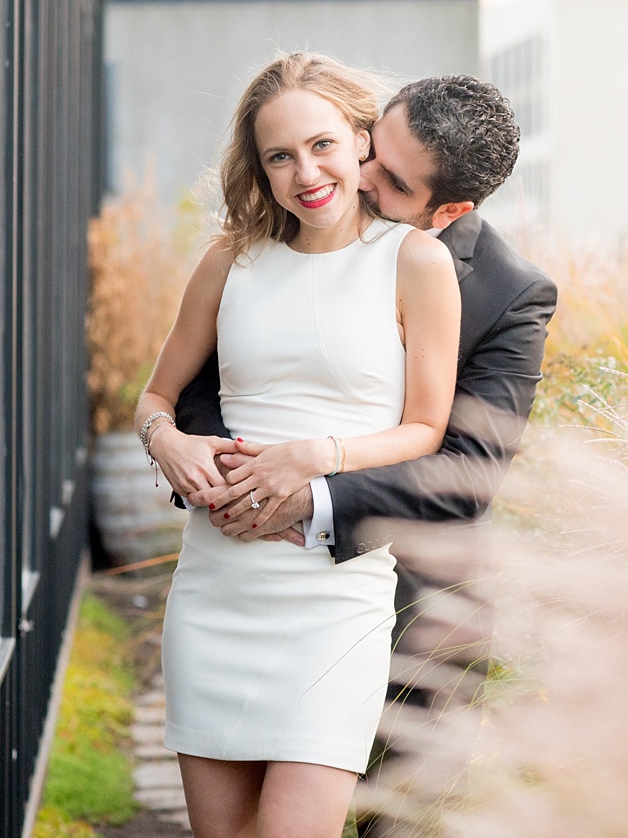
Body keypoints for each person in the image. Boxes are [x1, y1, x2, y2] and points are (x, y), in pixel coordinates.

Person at [171, 73, 559, 833]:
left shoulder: (512, 295)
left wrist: (308, 491)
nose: (355, 178)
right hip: (245, 583)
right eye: (370, 147)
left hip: (415, 611)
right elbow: (204, 383)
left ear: (449, 210)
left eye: (390, 179)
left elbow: (465, 471)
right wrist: (218, 466)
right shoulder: (270, 246)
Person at [134, 53, 463, 838]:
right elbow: (154, 396)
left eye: (320, 145)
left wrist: (320, 453)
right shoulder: (228, 260)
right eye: (278, 155)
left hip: (332, 599)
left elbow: (426, 428)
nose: (303, 172)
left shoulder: (414, 259)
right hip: (217, 587)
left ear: (360, 141)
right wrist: (167, 441)